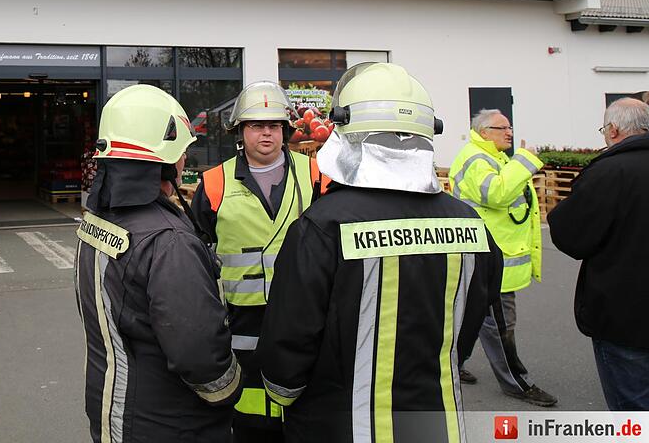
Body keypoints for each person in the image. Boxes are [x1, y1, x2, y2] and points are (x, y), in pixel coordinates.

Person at [258, 63, 502, 442]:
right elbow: (468, 324)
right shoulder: (473, 227)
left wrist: (282, 394)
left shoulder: (322, 227)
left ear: (344, 130)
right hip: (438, 425)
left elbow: (288, 344)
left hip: (338, 427)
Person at [75, 84, 241, 442]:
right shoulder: (169, 242)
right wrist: (231, 389)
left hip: (112, 411)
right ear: (163, 161)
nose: (185, 161)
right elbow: (198, 355)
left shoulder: (98, 220)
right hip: (169, 425)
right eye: (181, 153)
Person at [190, 81, 315, 442]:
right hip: (240, 319)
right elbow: (196, 253)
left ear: (285, 131)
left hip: (302, 314)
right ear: (240, 132)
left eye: (274, 125)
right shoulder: (214, 183)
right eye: (257, 125)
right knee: (248, 406)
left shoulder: (316, 175)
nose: (266, 133)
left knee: (301, 396)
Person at [447, 109, 557, 406]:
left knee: (475, 318)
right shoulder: (477, 159)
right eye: (502, 127)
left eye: (509, 127)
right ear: (484, 132)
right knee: (500, 324)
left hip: (492, 257)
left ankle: (449, 367)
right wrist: (525, 160)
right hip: (492, 261)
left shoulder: (491, 157)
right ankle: (516, 382)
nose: (509, 132)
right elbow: (497, 193)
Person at [549, 98, 649, 411]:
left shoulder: (609, 172)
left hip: (626, 317)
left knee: (633, 412)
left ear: (613, 129)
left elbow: (571, 236)